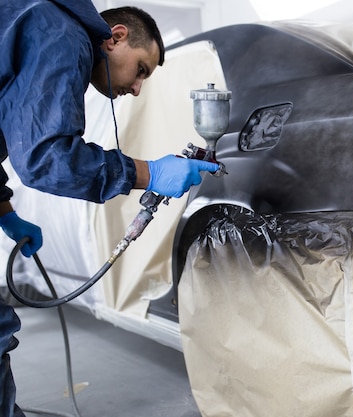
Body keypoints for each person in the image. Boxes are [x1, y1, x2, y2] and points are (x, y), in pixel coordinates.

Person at [0, 1, 219, 415]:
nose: (137, 88)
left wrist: (4, 212)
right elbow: (48, 158)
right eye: (141, 70)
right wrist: (149, 174)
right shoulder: (60, 34)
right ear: (116, 37)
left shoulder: (35, 24)